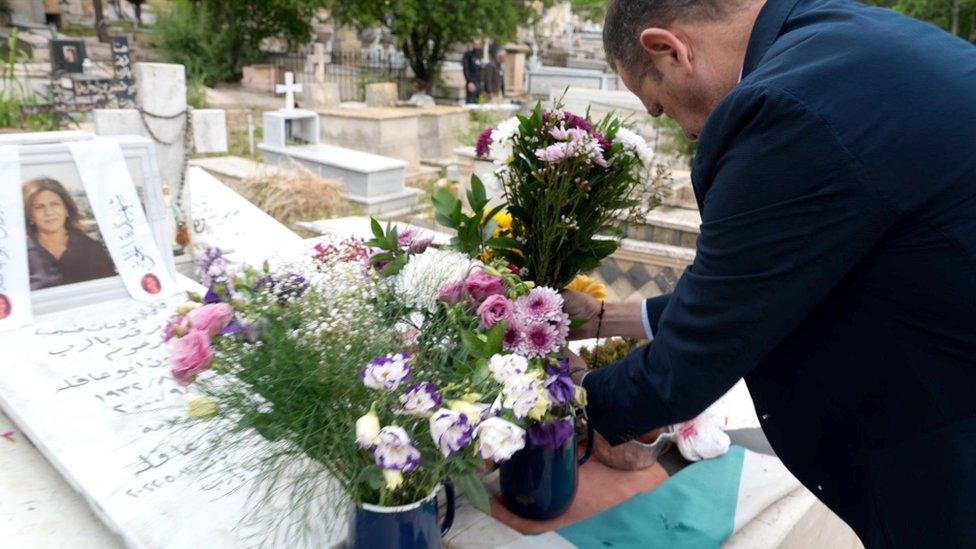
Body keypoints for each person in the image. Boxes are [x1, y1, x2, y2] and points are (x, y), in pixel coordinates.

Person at [563, 0, 976, 546]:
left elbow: (688, 366)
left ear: (668, 49)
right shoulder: (838, 37)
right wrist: (609, 318)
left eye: (659, 106)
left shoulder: (788, 106)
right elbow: (775, 279)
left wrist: (567, 393)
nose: (684, 131)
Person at [23, 178, 116, 290]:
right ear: (30, 215)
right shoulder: (19, 256)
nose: (49, 212)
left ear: (66, 208)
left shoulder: (92, 248)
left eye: (55, 204)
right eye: (39, 207)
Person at [461, 37, 485, 104]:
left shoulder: (480, 55)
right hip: (472, 83)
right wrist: (469, 82)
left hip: (479, 84)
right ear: (472, 44)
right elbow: (466, 69)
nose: (477, 45)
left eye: (478, 44)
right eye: (475, 44)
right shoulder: (468, 55)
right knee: (471, 104)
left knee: (479, 105)